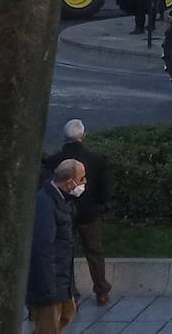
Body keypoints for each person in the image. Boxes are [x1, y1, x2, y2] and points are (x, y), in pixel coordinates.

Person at [43, 119, 111, 305]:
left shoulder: (53, 161)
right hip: (88, 213)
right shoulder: (97, 160)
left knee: (65, 253)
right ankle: (101, 291)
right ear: (83, 136)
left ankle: (71, 293)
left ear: (65, 137)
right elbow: (104, 190)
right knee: (94, 251)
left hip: (62, 212)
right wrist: (100, 205)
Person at [27, 159, 86, 334]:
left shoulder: (62, 200)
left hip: (61, 279)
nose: (84, 183)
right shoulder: (45, 203)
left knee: (67, 313)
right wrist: (47, 289)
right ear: (69, 182)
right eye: (82, 178)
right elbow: (42, 248)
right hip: (48, 283)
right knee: (48, 327)